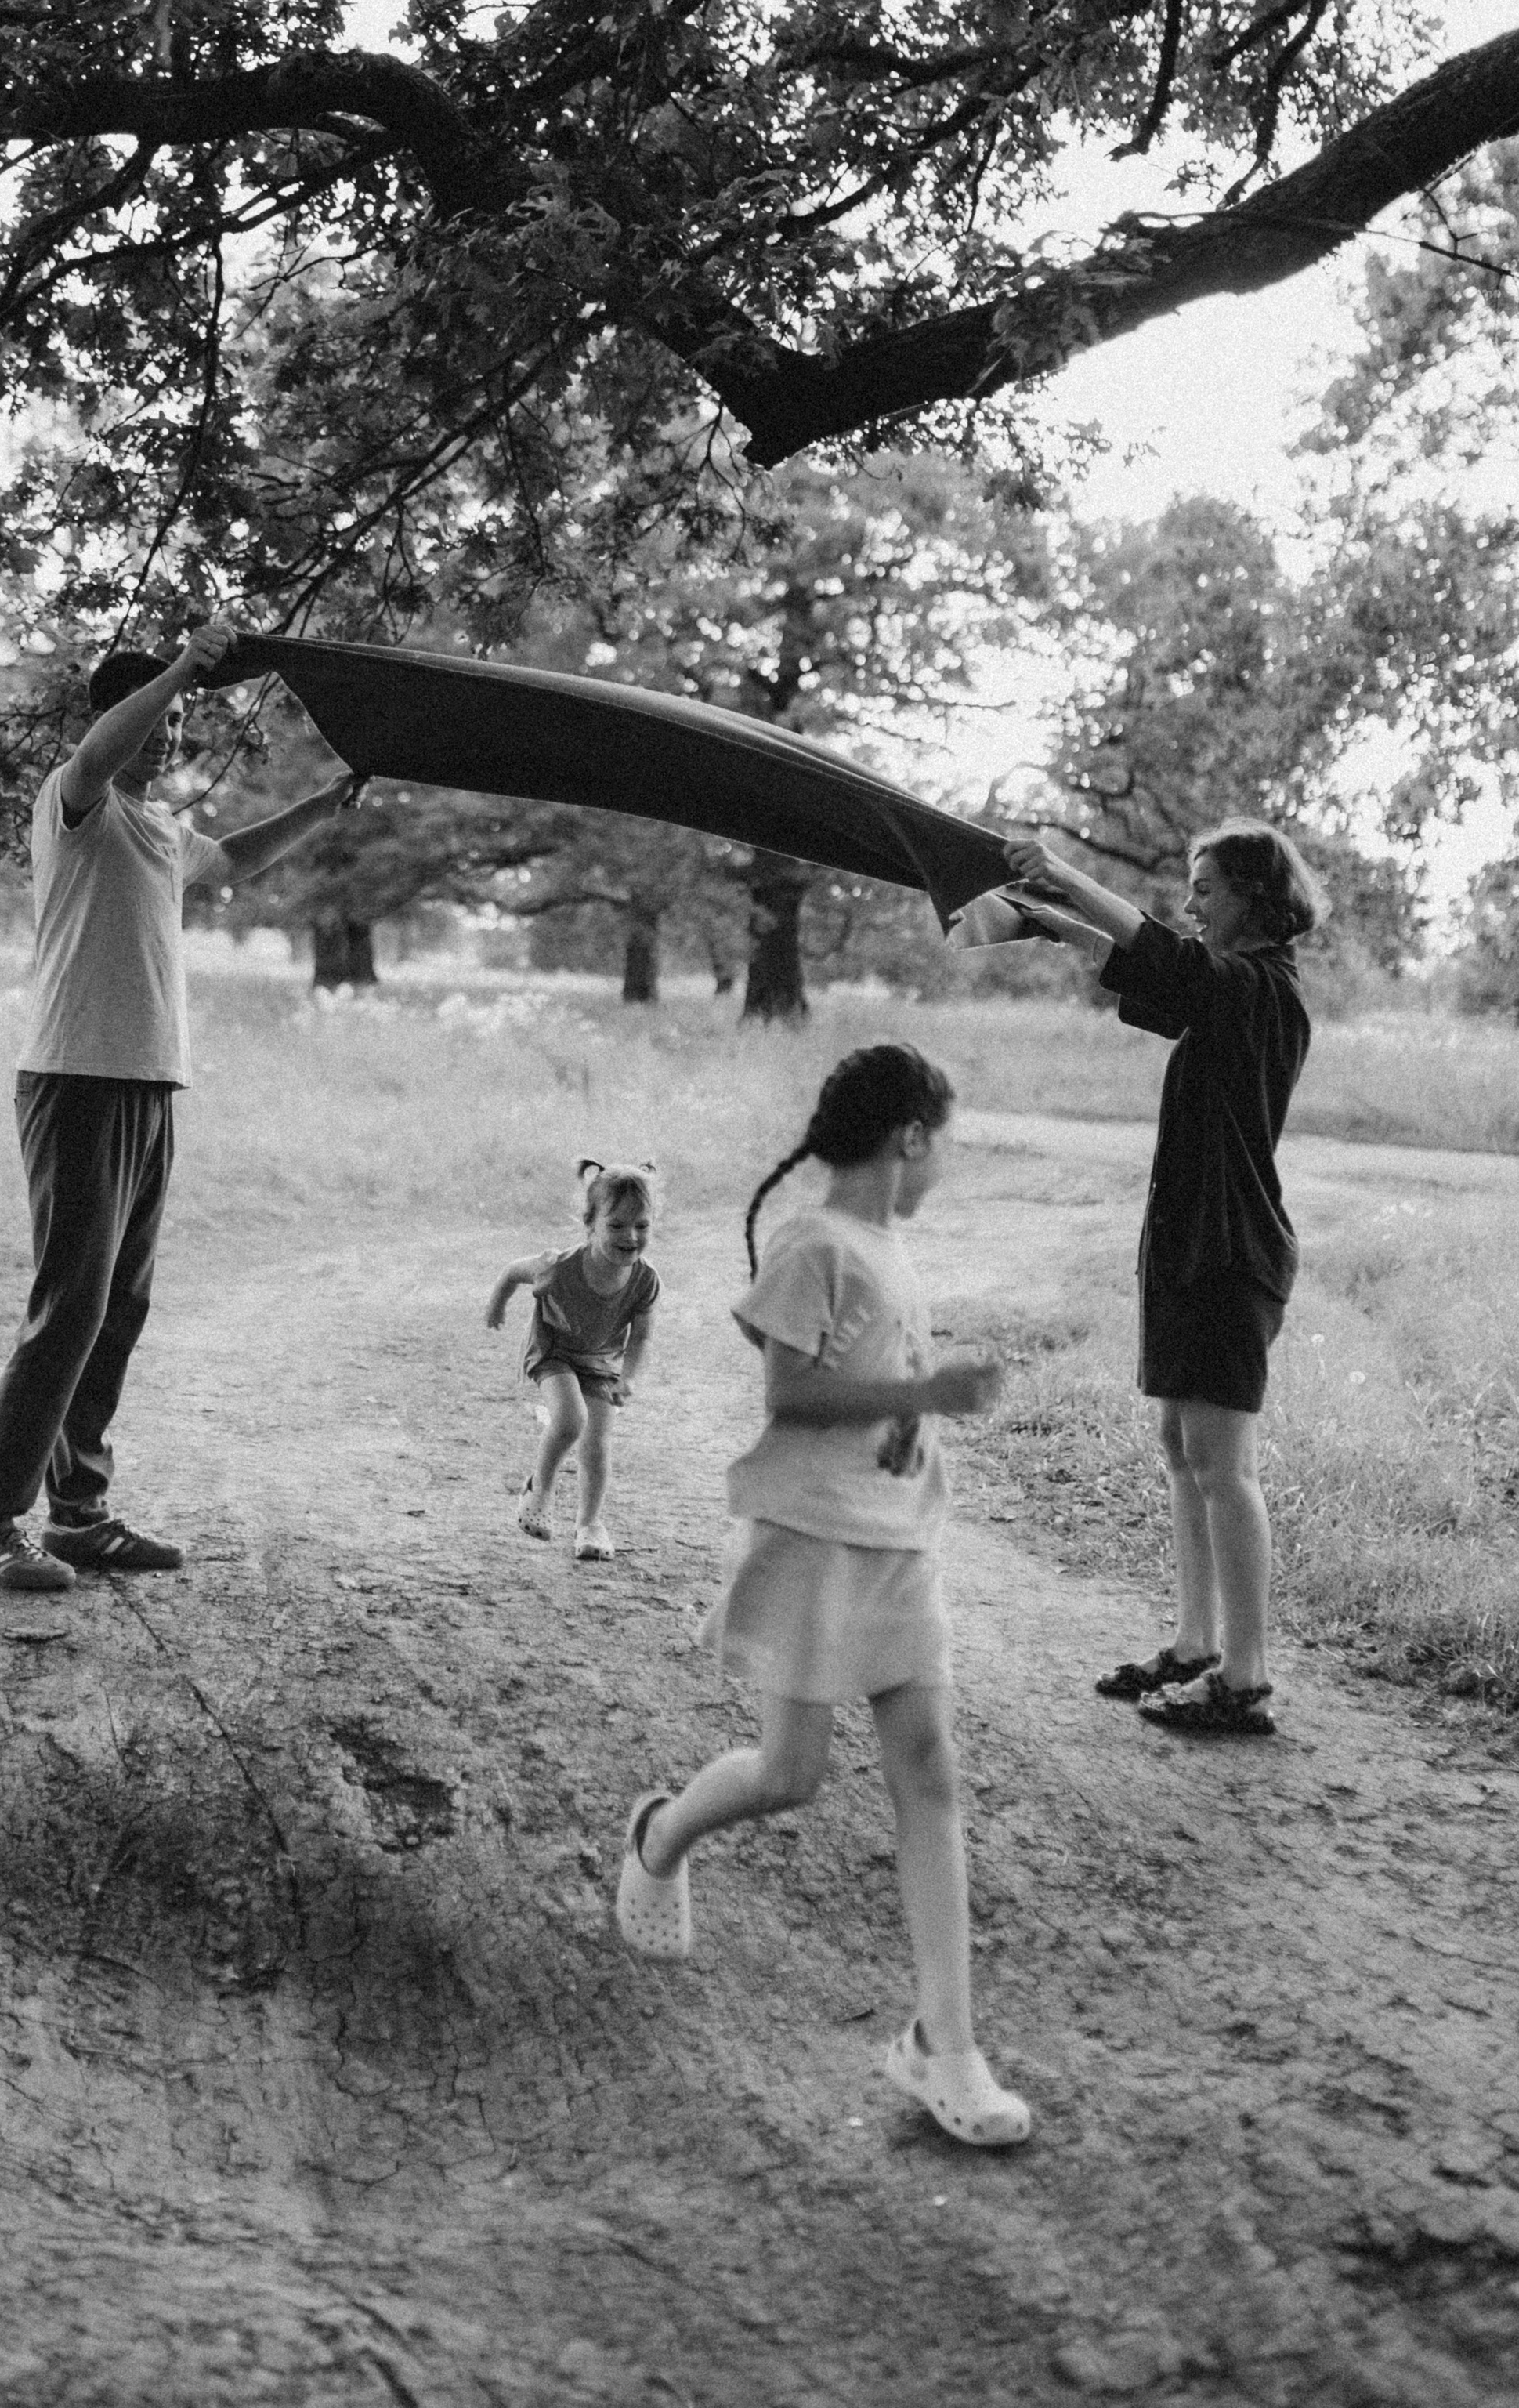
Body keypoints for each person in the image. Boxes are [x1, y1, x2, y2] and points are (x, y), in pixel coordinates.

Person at [614, 1048, 1029, 2150]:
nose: (946, 1164)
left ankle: (945, 2046)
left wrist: (911, 1411)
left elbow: (871, 1383)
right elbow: (791, 1391)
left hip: (898, 1542)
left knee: (930, 1768)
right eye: (945, 1142)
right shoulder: (814, 1241)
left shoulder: (888, 1247)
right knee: (790, 1776)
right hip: (809, 1541)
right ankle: (663, 1834)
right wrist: (922, 1392)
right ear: (909, 1139)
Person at [0, 621, 360, 1592]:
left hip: (147, 1082)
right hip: (75, 1077)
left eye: (176, 724)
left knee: (117, 1307)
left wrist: (325, 803)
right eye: (156, 718)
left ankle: (78, 1514)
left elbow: (238, 859)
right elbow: (102, 750)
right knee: (71, 1308)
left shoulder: (164, 830)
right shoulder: (73, 797)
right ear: (120, 715)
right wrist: (180, 669)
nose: (169, 736)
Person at [1002, 820, 1329, 1738]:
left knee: (1224, 1468)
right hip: (1192, 1249)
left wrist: (1062, 872)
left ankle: (1245, 1678)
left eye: (1208, 891)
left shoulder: (1264, 993)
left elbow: (1158, 950)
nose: (1193, 905)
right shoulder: (1226, 990)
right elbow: (1146, 964)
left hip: (1231, 1257)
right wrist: (1053, 919)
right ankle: (1193, 1647)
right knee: (1183, 1456)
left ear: (1258, 901)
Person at [486, 1161, 660, 1562]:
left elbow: (643, 1336)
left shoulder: (645, 1281)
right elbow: (512, 1271)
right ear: (590, 1224)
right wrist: (498, 1302)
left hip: (601, 1363)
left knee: (598, 1445)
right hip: (555, 1351)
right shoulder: (559, 1268)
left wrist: (628, 1377)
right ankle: (540, 1487)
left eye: (642, 1226)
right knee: (571, 1419)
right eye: (616, 1225)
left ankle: (590, 1524)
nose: (630, 1236)